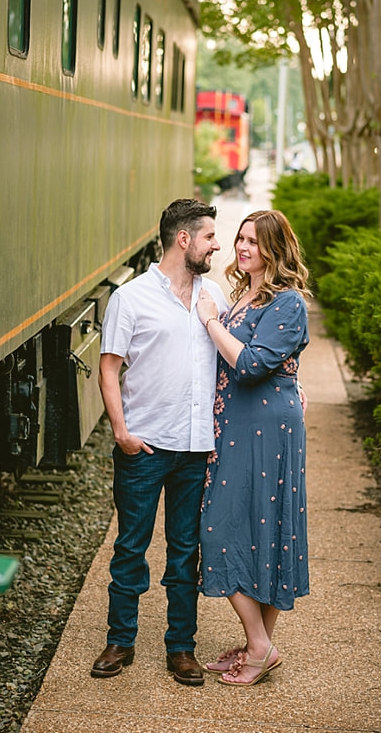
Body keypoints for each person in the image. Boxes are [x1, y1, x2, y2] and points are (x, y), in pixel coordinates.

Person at [91, 198, 228, 687]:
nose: (218, 244)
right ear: (184, 239)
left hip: (196, 450)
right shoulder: (131, 298)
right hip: (145, 449)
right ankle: (119, 640)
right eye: (210, 236)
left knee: (184, 552)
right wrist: (122, 433)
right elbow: (109, 367)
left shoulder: (215, 297)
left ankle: (181, 648)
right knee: (131, 547)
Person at [195, 209, 311, 686]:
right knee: (250, 527)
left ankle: (261, 646)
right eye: (240, 239)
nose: (244, 248)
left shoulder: (288, 302)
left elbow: (249, 365)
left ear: (275, 249)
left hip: (267, 428)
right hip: (239, 423)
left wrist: (210, 322)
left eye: (255, 242)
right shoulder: (247, 295)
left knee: (224, 529)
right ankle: (258, 645)